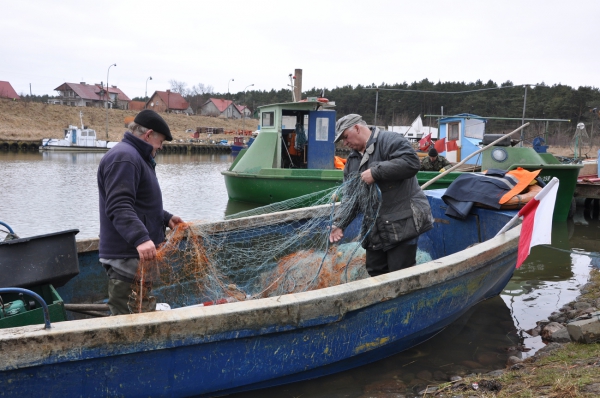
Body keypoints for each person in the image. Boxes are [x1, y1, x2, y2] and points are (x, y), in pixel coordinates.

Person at [97, 109, 184, 315]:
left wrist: (165, 218)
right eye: (160, 142)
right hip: (127, 255)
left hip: (135, 254)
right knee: (128, 319)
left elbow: (139, 203)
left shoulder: (136, 156)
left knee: (141, 311)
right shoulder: (125, 158)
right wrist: (140, 238)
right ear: (148, 134)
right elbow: (119, 205)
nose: (160, 147)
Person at [329, 114, 434, 277]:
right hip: (375, 229)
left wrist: (377, 172)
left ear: (357, 128)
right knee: (375, 272)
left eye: (345, 137)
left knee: (400, 275)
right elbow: (350, 196)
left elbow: (412, 162)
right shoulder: (352, 161)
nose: (345, 143)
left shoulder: (390, 140)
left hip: (402, 224)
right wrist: (340, 223)